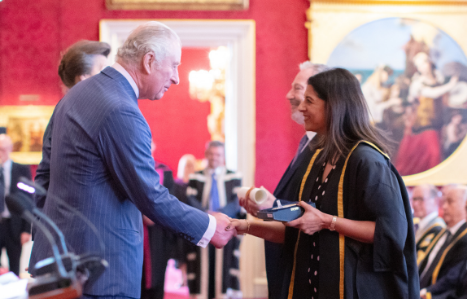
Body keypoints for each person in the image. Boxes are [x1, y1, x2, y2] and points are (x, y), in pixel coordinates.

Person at [29, 21, 234, 299]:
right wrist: (209, 226)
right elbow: (150, 196)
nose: (176, 78)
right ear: (149, 61)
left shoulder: (74, 96)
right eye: (173, 65)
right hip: (101, 273)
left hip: (59, 264)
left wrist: (50, 240)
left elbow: (44, 177)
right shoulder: (121, 110)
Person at [231, 68, 419, 298]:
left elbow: (389, 233)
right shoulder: (317, 158)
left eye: (309, 101)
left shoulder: (367, 161)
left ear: (334, 106)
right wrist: (242, 226)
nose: (301, 107)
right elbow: (297, 231)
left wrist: (328, 221)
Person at [242, 61, 329, 299]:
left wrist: (272, 207)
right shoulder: (308, 144)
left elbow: (315, 215)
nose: (288, 95)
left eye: (298, 89)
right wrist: (262, 212)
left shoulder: (328, 150)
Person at [34, 40, 111, 211]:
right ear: (83, 78)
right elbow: (46, 174)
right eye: (102, 69)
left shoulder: (64, 111)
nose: (110, 75)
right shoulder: (75, 114)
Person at [185, 141, 243, 299]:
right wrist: (206, 215)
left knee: (224, 266)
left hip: (225, 229)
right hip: (202, 227)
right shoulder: (196, 176)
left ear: (223, 157)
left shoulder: (234, 176)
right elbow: (190, 199)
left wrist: (220, 216)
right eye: (211, 154)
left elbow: (236, 201)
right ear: (206, 154)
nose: (214, 158)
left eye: (218, 154)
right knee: (202, 267)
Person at [141, 140, 177, 299]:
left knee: (157, 276)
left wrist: (154, 214)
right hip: (137, 230)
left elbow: (172, 201)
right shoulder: (130, 170)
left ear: (154, 146)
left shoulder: (165, 172)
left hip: (159, 233)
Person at [419, 185, 467, 297]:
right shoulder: (443, 232)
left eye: (450, 202)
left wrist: (426, 292)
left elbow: (453, 277)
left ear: (464, 205)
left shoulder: (464, 238)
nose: (444, 207)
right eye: (444, 202)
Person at [0, 134, 32, 276]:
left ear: (11, 149)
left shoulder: (21, 169)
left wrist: (26, 229)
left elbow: (28, 200)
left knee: (14, 268)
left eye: (4, 149)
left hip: (14, 226)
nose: (2, 153)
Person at [411, 184, 445, 259]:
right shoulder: (415, 224)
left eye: (420, 199)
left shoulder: (439, 228)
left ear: (435, 201)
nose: (415, 204)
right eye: (414, 199)